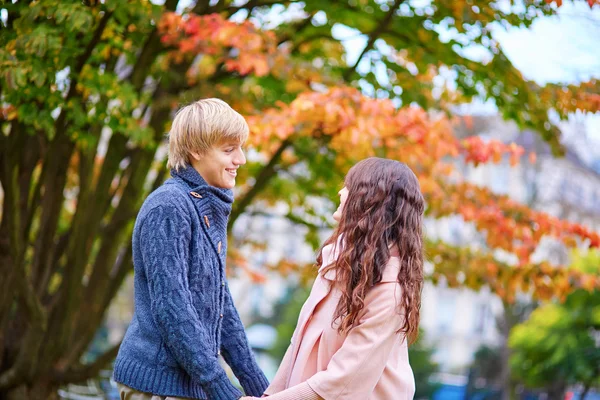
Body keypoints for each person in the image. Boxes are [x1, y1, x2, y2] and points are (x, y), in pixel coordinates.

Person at [113, 99, 269, 400]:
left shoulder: (206, 207)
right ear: (196, 151)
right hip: (156, 385)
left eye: (240, 148)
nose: (242, 159)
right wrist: (223, 389)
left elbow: (220, 304)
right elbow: (172, 307)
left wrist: (260, 388)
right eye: (229, 149)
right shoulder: (169, 206)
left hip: (188, 386)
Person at [244, 157, 424, 400]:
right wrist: (270, 395)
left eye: (349, 186)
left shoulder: (389, 292)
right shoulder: (335, 265)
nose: (341, 192)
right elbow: (298, 345)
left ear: (369, 200)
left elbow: (342, 381)